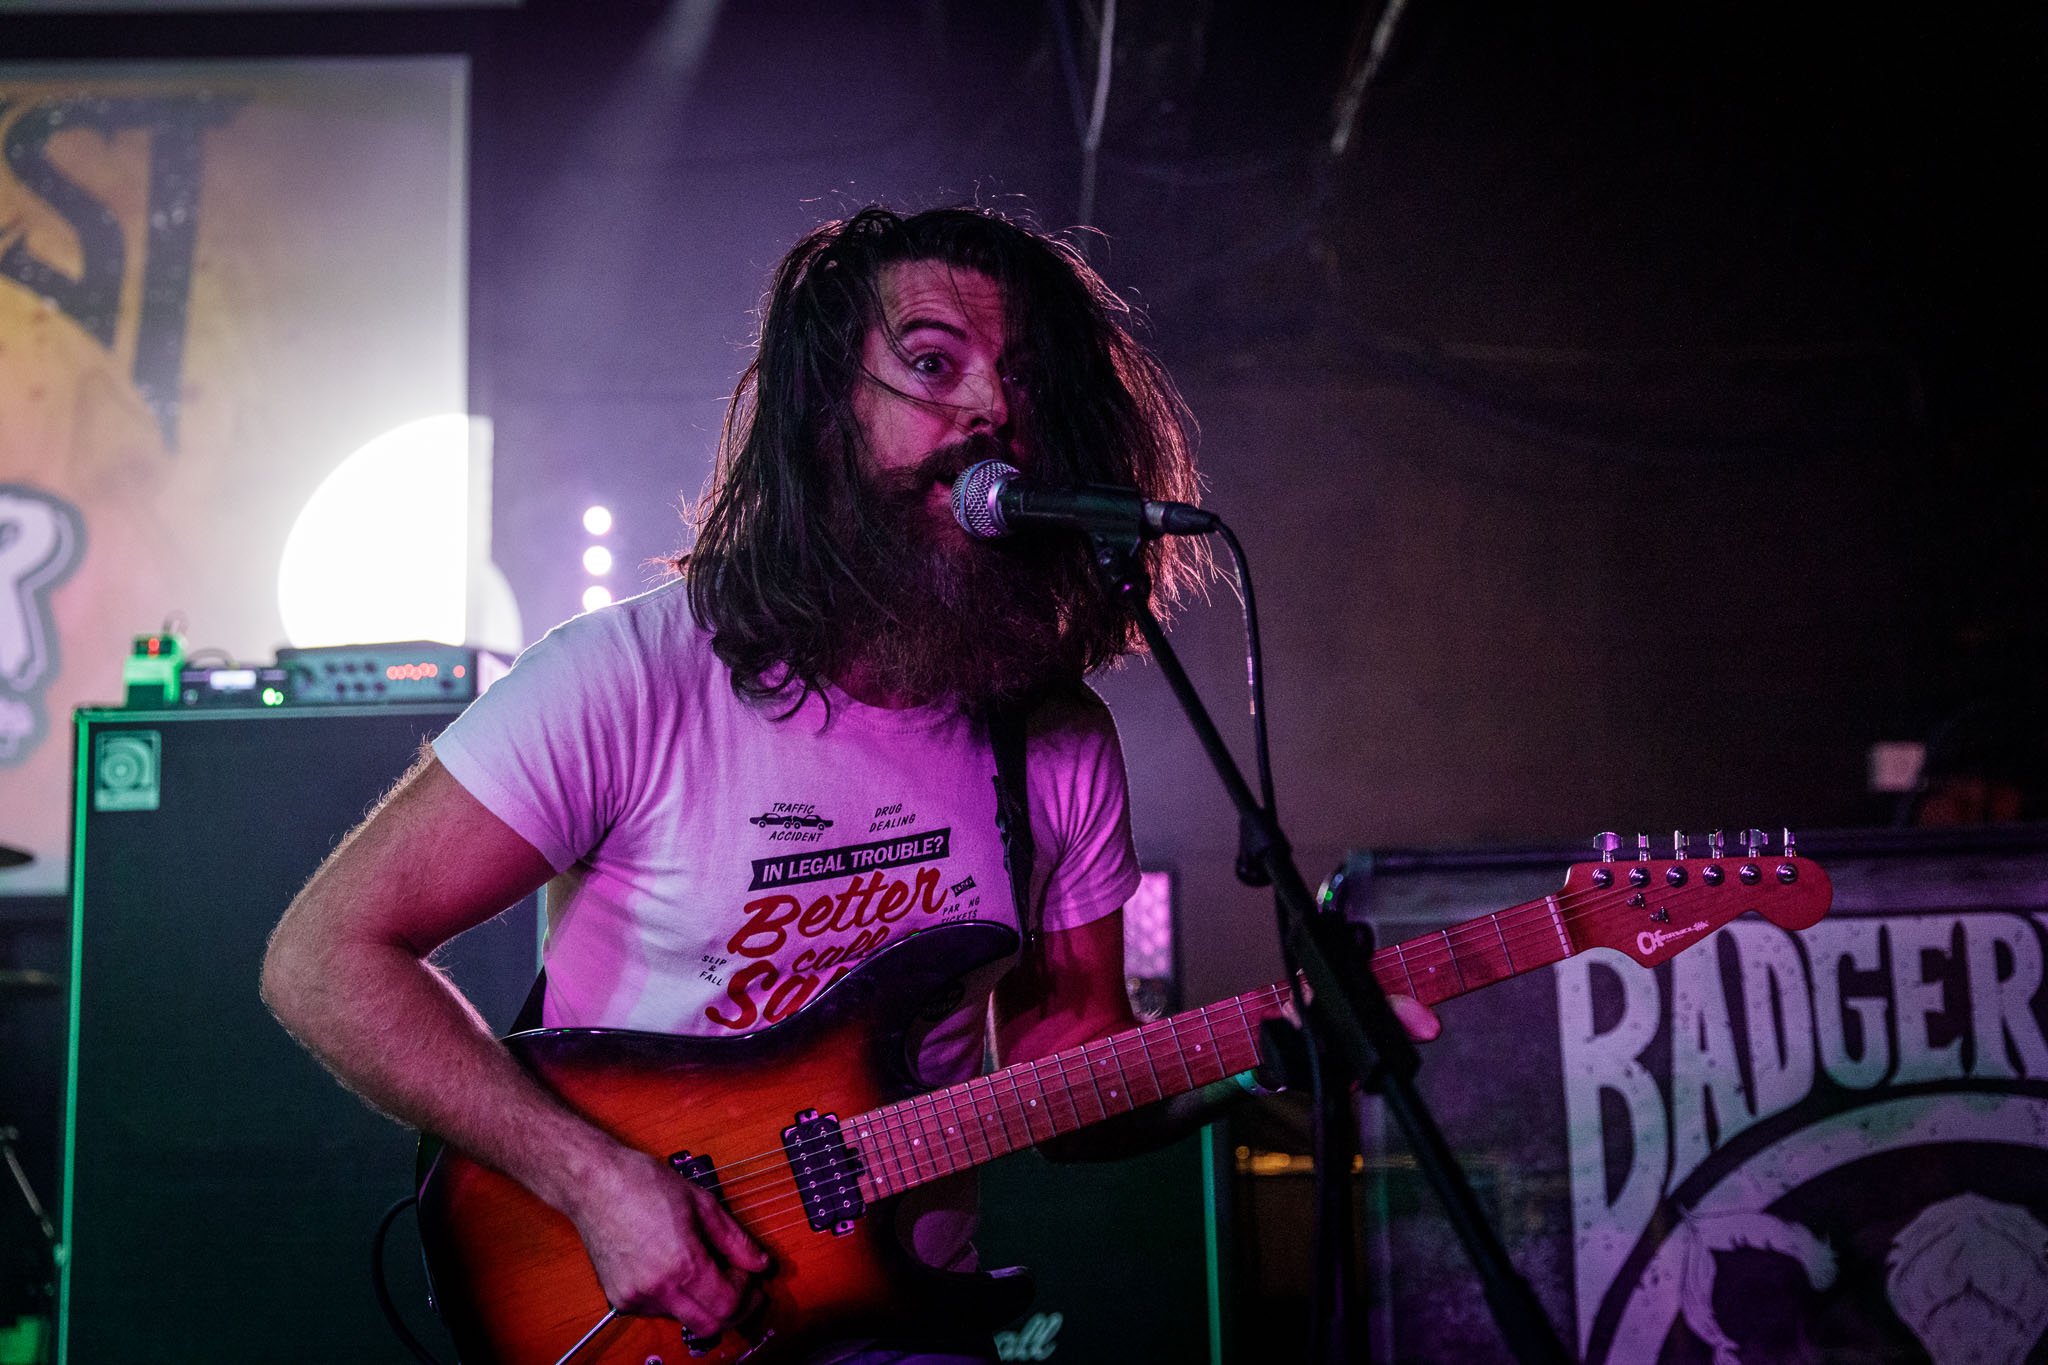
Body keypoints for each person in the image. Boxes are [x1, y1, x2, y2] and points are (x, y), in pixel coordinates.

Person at [260, 204, 1436, 1362]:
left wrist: (1258, 1054)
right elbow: (324, 956)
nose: (991, 408)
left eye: (1021, 380)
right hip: (644, 1307)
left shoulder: (1054, 740)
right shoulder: (631, 678)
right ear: (826, 410)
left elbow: (1066, 1066)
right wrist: (596, 1182)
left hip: (897, 1320)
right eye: (932, 364)